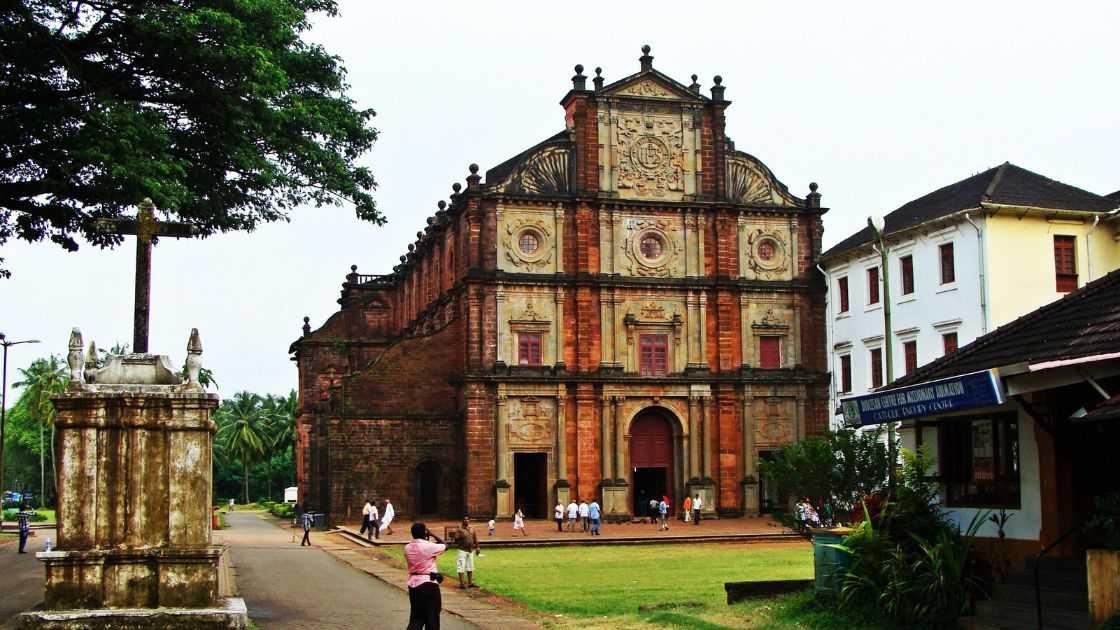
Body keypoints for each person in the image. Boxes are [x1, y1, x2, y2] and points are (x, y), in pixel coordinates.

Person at [404, 522, 447, 630]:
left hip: (413, 584)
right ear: (424, 532)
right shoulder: (428, 546)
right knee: (432, 617)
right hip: (428, 585)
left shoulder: (407, 548)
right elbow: (446, 545)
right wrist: (432, 534)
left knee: (416, 617)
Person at [454, 517, 481, 589]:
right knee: (461, 566)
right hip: (462, 550)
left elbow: (475, 538)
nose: (466, 520)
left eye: (467, 519)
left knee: (470, 566)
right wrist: (458, 533)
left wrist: (477, 547)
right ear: (462, 521)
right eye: (465, 519)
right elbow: (455, 540)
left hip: (470, 550)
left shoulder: (472, 528)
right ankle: (462, 584)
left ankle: (470, 583)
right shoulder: (459, 529)